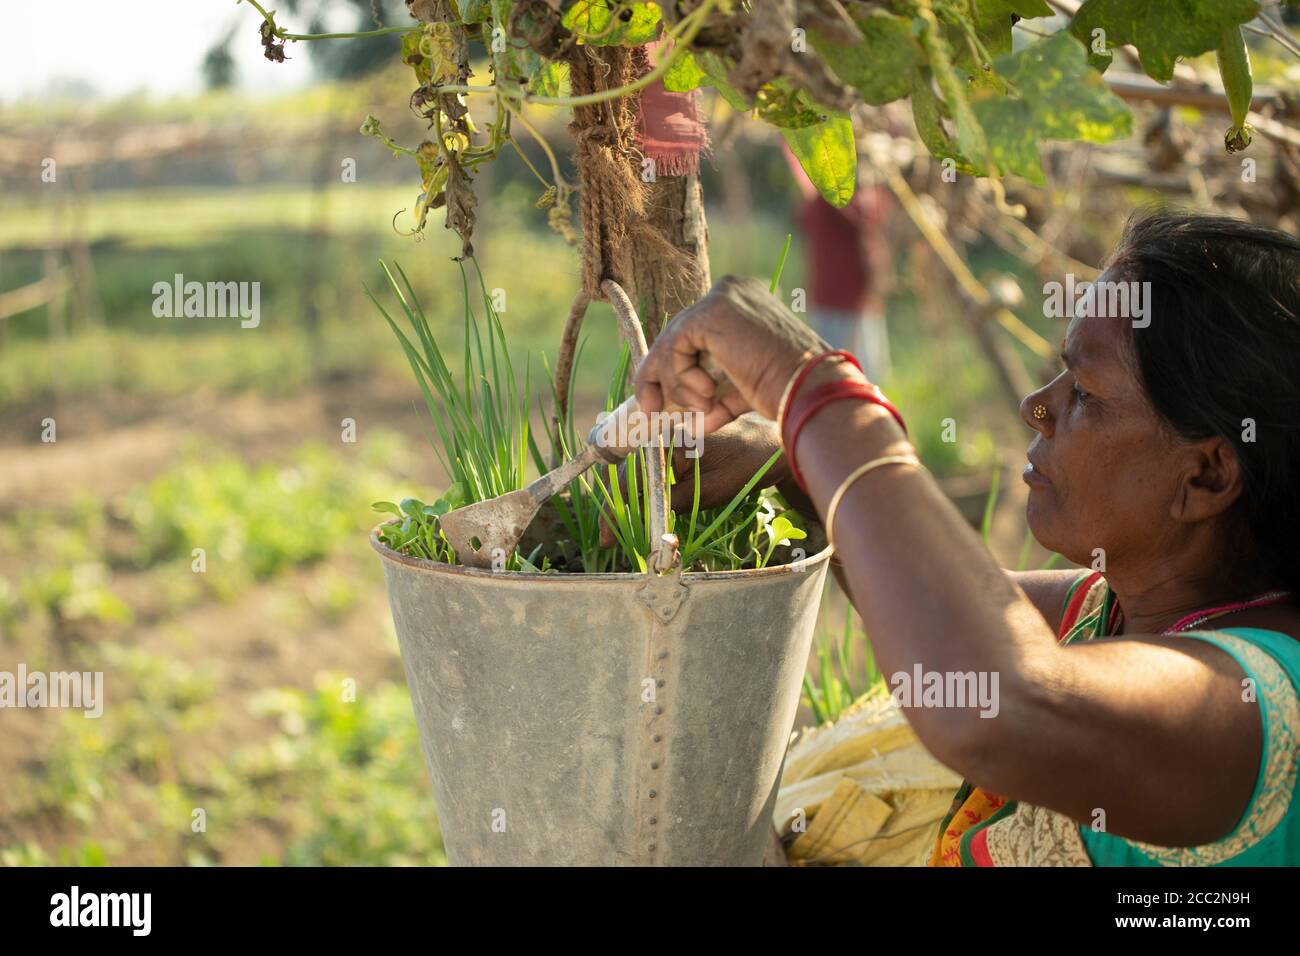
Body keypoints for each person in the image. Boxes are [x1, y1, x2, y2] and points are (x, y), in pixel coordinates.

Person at [634, 211, 1300, 865]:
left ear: (1207, 475)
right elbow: (936, 611)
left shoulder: (1254, 704)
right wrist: (785, 459)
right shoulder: (1121, 609)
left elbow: (992, 701)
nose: (1037, 404)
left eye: (1087, 394)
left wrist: (812, 387)